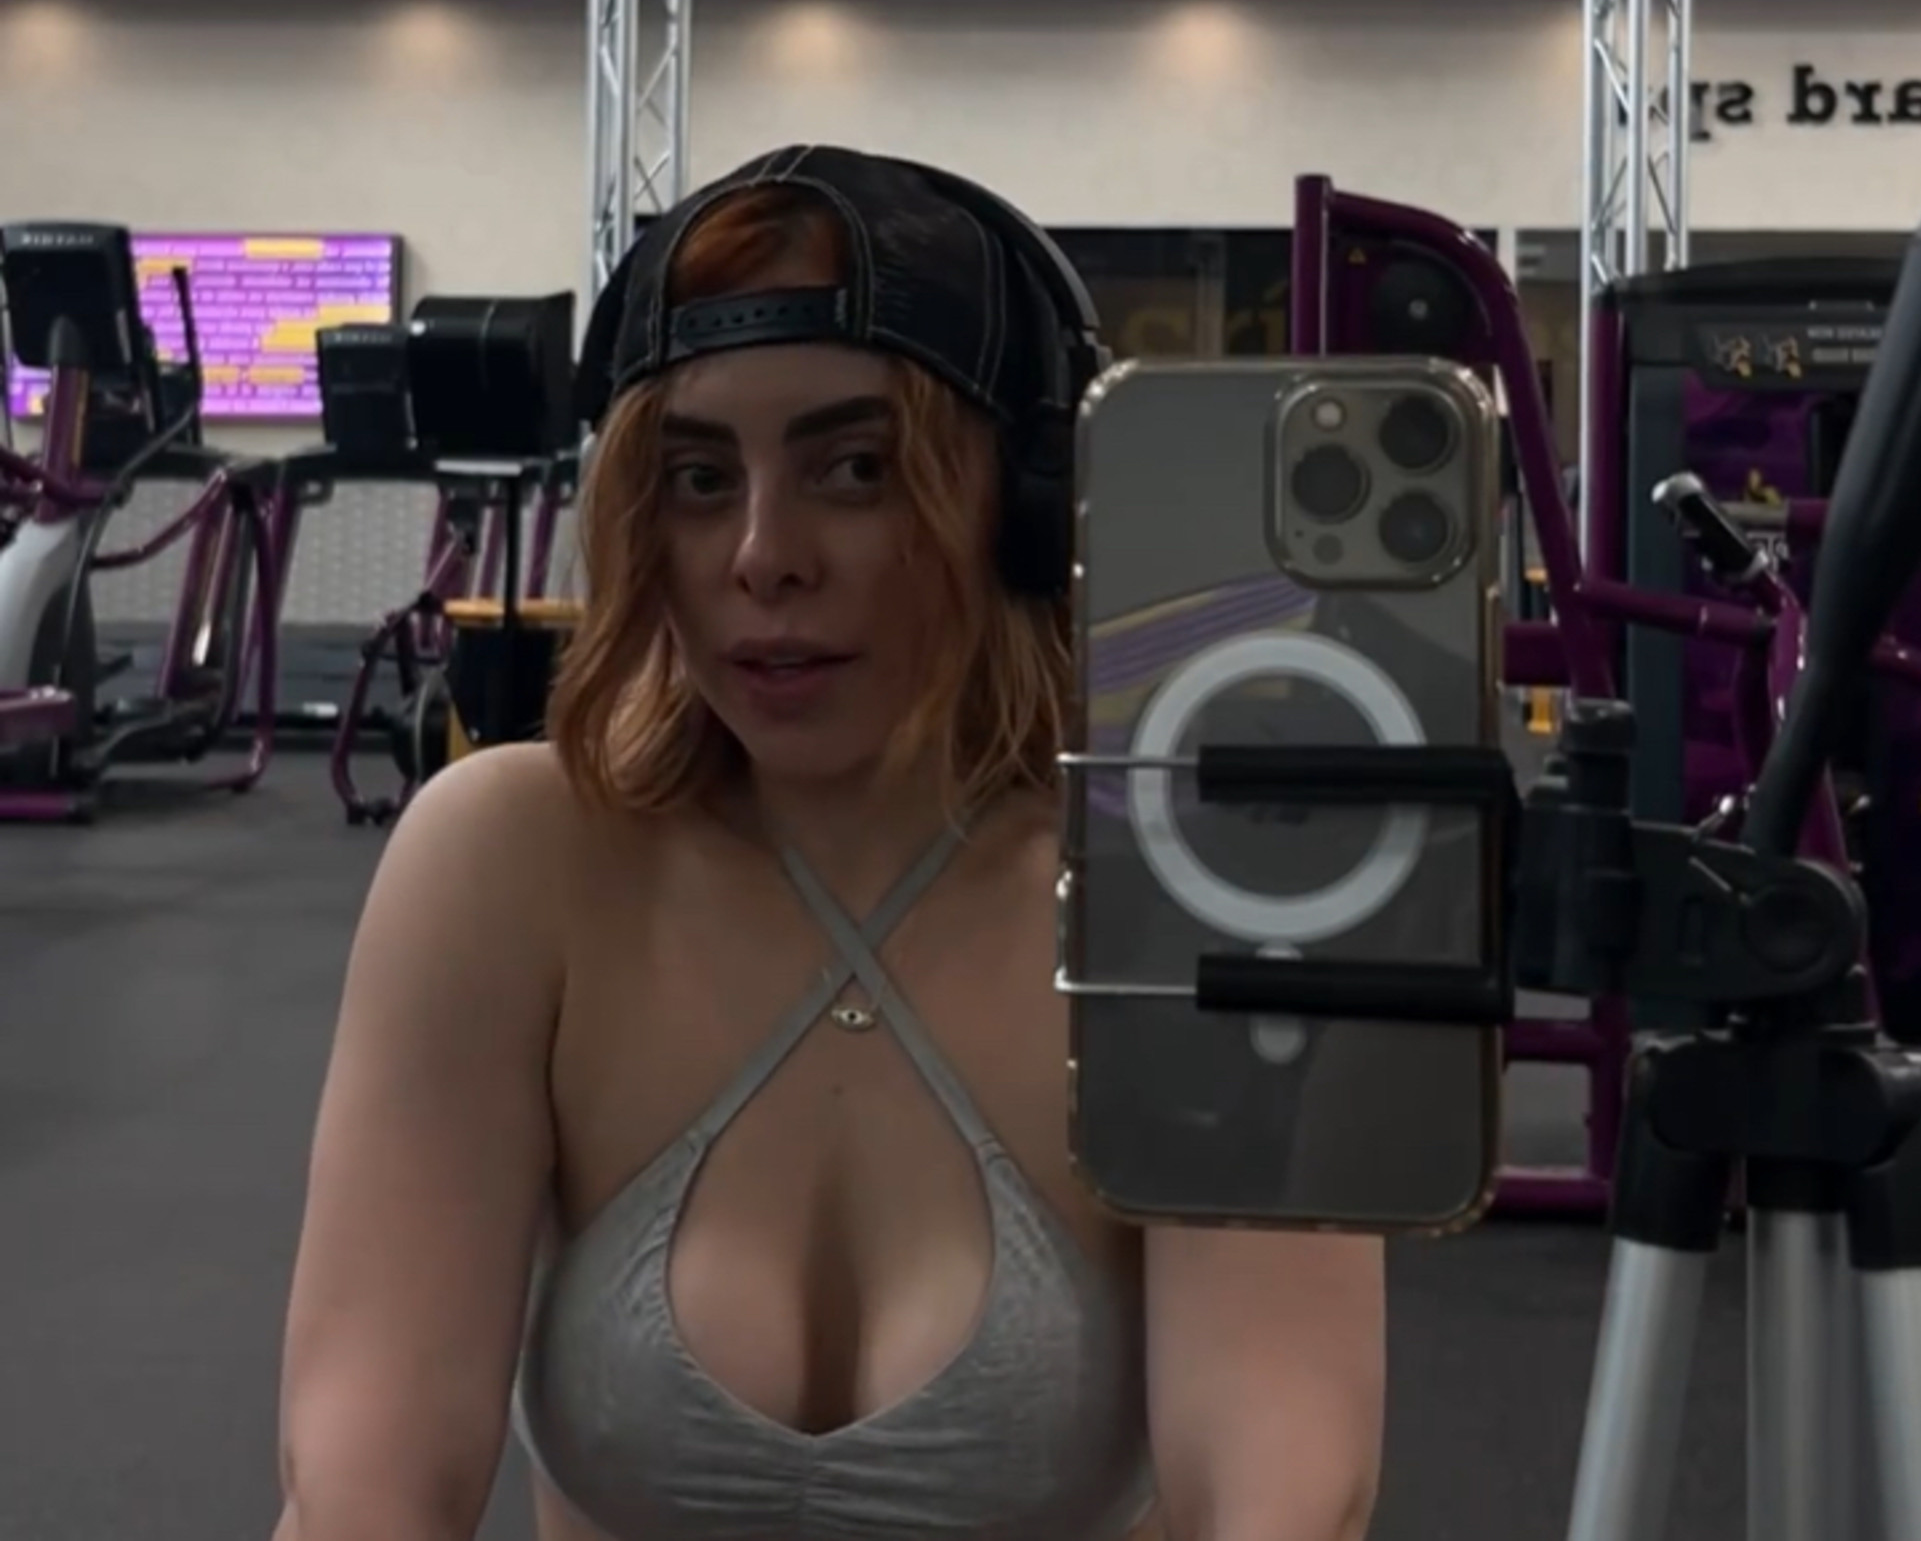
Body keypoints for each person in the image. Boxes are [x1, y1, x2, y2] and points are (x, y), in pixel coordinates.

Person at [272, 145, 1386, 1541]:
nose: (762, 555)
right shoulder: (514, 865)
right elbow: (363, 1481)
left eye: (855, 469)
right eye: (696, 478)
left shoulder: (1181, 893)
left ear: (1027, 511)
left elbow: (1282, 1490)